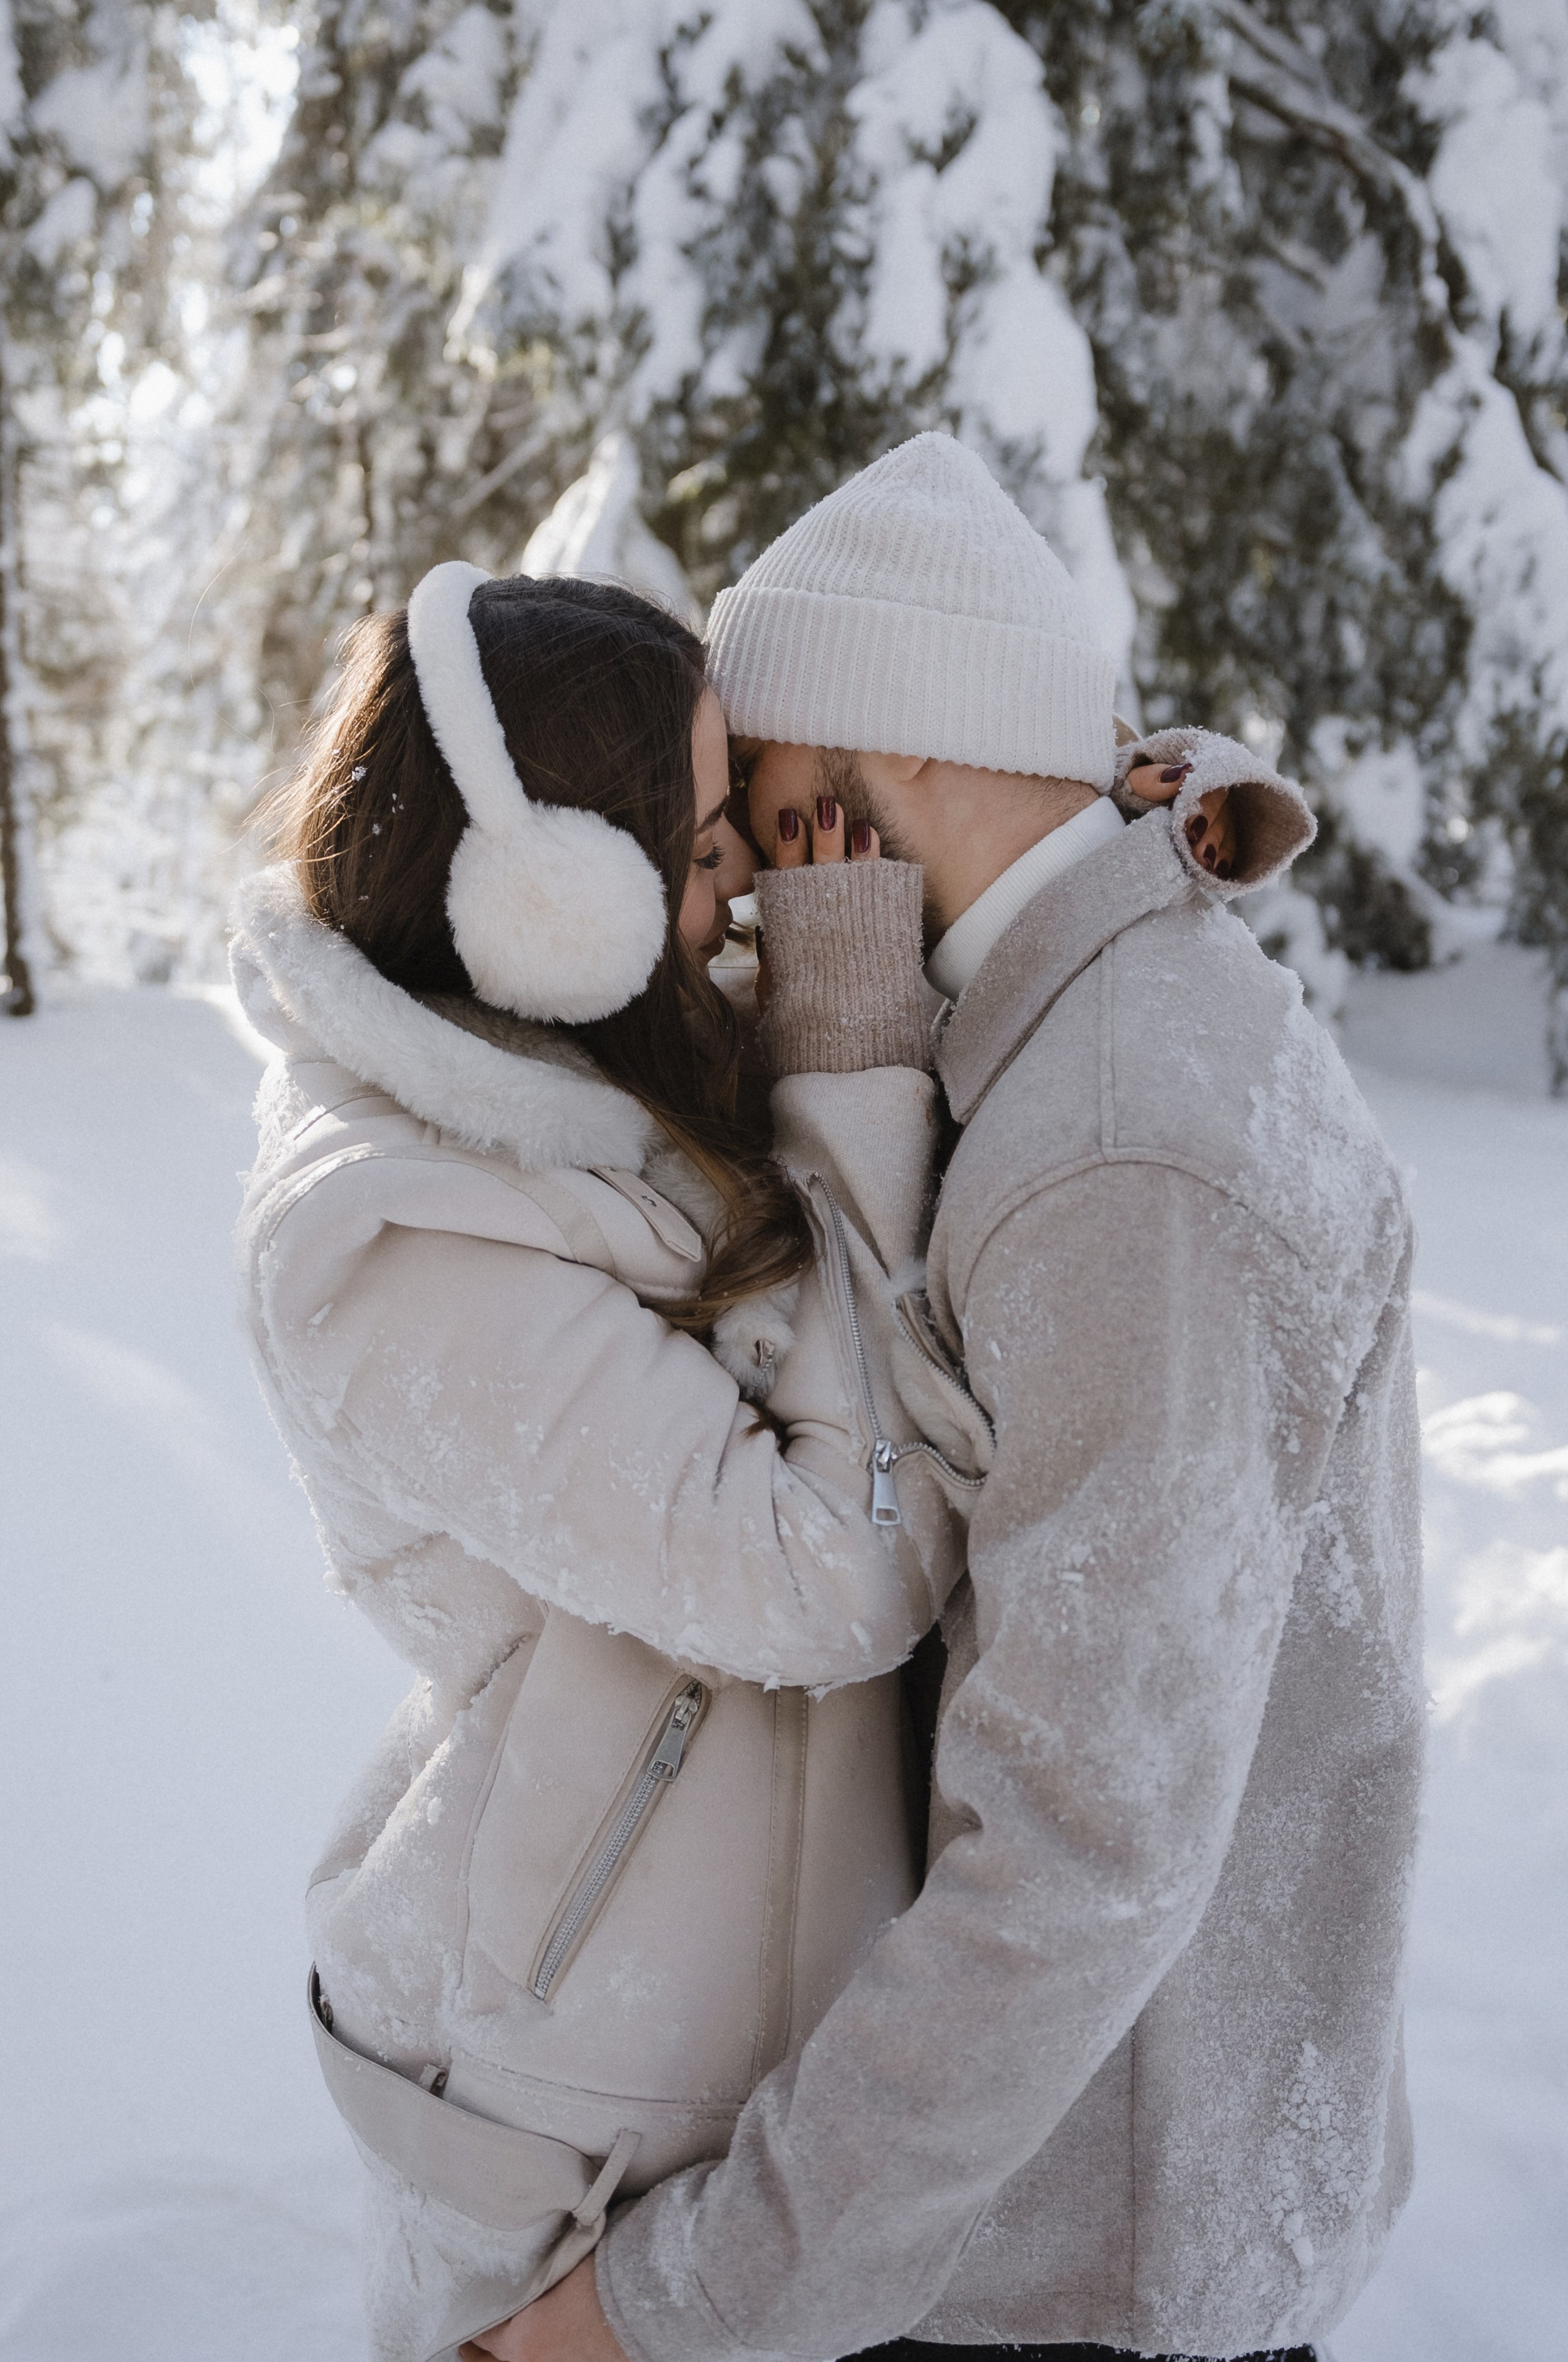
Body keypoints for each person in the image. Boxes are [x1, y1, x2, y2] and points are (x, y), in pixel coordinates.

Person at [492, 435, 1425, 2362]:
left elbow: (1077, 1858)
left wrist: (668, 2307)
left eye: (757, 812)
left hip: (1079, 2258)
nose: (747, 900)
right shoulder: (1101, 1033)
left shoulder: (1114, 1150)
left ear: (871, 765)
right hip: (1082, 2201)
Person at [229, 566, 994, 2362]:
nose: (743, 899)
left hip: (738, 2034)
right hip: (583, 2101)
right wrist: (848, 1063)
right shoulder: (396, 1246)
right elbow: (836, 1570)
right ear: (552, 903)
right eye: (709, 844)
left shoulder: (578, 1081)